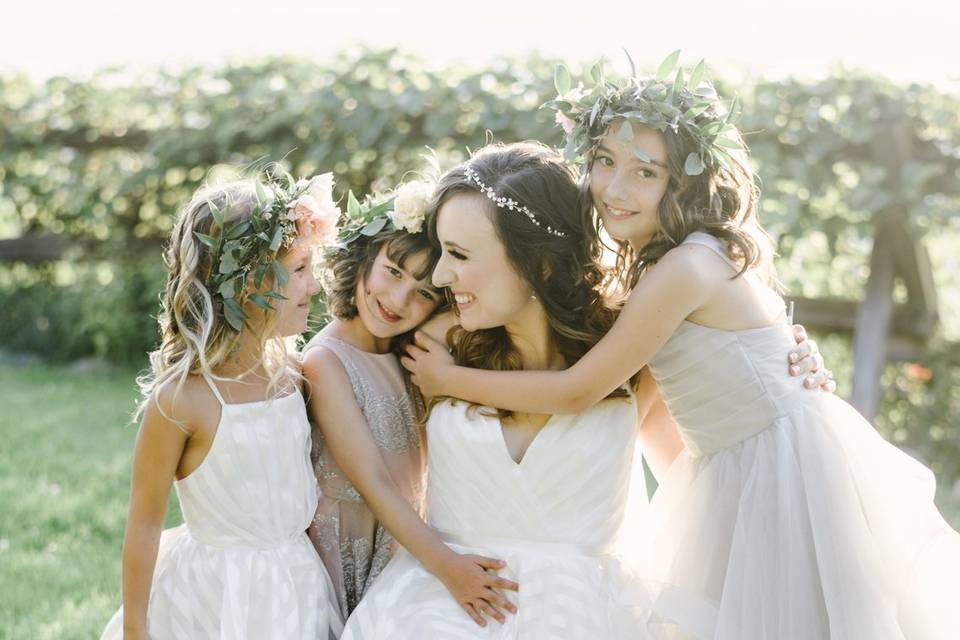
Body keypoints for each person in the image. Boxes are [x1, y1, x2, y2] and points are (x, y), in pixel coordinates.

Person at [404, 56, 960, 639]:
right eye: (603, 162)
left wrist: (450, 381)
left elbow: (579, 389)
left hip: (778, 469)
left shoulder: (686, 267)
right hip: (730, 468)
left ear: (685, 182)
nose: (615, 189)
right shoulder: (665, 270)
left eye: (646, 172)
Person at [343, 142, 829, 639]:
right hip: (433, 612)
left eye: (460, 255)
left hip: (590, 618)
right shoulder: (429, 345)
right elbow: (335, 357)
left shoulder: (633, 355)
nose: (442, 276)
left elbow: (693, 477)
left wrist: (785, 372)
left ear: (540, 265)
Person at [101, 172, 343, 640]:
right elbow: (145, 520)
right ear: (246, 282)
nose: (313, 287)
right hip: (215, 593)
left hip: (297, 580)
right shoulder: (181, 401)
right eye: (299, 269)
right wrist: (136, 626)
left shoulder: (294, 374)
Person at [303, 180, 518, 626]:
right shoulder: (325, 363)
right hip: (346, 550)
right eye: (392, 272)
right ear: (364, 257)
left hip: (405, 544)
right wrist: (448, 568)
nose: (398, 301)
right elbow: (374, 482)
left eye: (424, 292)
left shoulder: (415, 354)